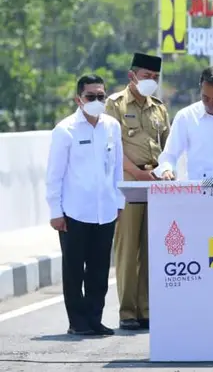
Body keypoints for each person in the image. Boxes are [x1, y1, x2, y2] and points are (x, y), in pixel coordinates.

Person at [45, 74, 124, 336]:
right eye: (91, 96)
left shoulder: (112, 126)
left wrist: (119, 202)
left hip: (105, 211)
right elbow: (54, 175)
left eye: (101, 96)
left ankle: (94, 319)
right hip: (74, 212)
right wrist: (56, 212)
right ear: (79, 99)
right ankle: (77, 322)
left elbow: (117, 171)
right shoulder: (65, 130)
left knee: (100, 270)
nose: (97, 100)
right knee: (74, 269)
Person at [105, 52, 170, 331]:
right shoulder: (115, 105)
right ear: (132, 75)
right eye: (147, 76)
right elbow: (112, 148)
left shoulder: (159, 108)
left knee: (152, 248)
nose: (151, 82)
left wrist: (165, 169)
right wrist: (139, 173)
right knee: (128, 248)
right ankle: (128, 311)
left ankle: (147, 308)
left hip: (155, 183)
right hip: (129, 182)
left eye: (155, 77)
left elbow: (168, 146)